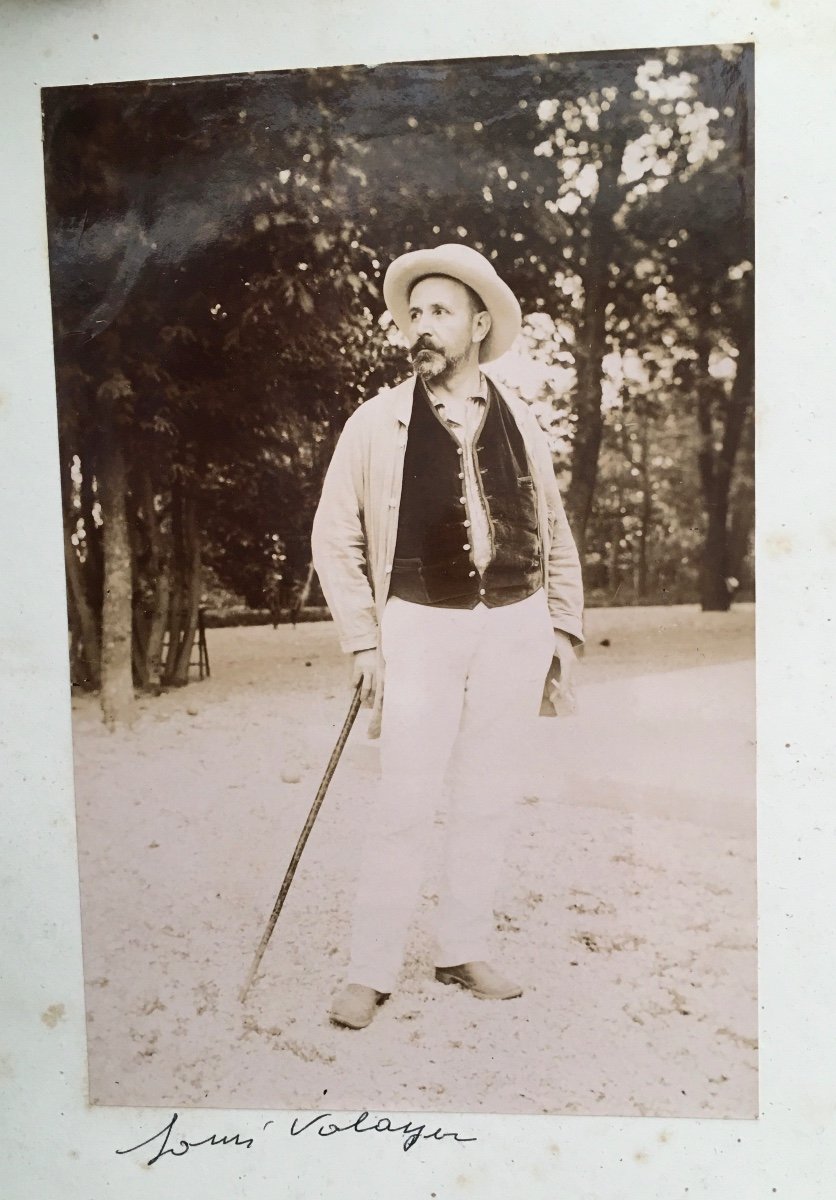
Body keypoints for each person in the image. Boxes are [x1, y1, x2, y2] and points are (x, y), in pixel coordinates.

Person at [311, 243, 584, 1029]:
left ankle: (463, 948)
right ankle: (370, 970)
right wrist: (365, 644)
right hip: (419, 627)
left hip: (515, 625)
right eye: (414, 314)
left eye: (439, 313)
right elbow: (336, 538)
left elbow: (553, 529)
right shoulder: (376, 424)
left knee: (488, 793)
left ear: (477, 324)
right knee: (405, 797)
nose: (421, 328)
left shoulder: (521, 420)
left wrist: (562, 626)